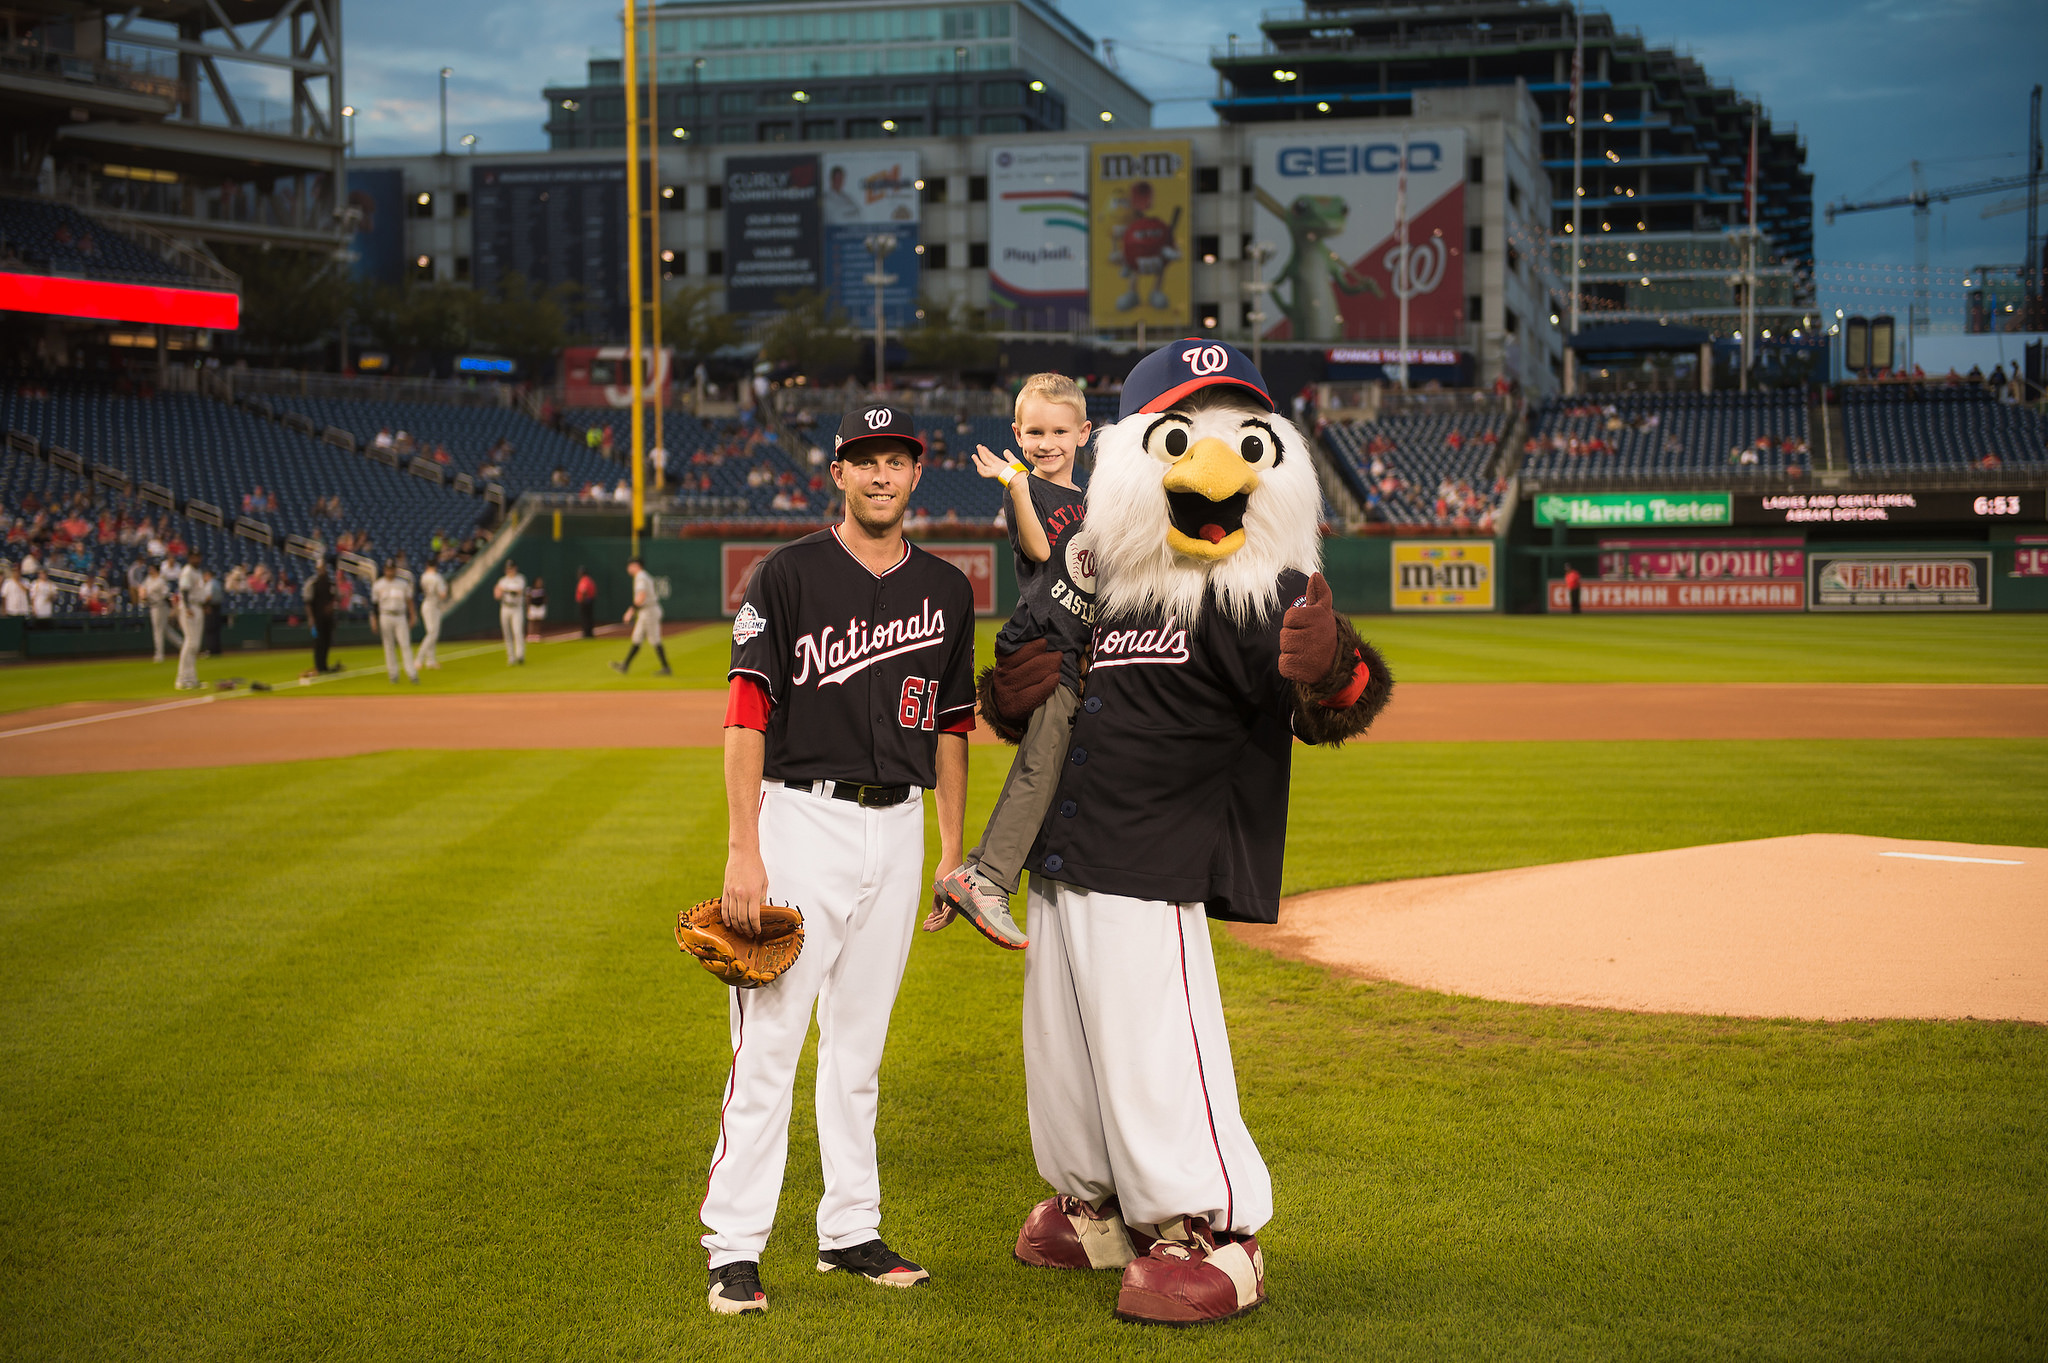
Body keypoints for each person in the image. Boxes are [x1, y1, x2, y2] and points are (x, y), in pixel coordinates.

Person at [702, 403, 977, 1316]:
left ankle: (849, 1230)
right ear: (838, 474)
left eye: (896, 461)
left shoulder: (945, 588)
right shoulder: (783, 575)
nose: (881, 476)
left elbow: (950, 728)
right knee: (771, 1044)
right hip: (800, 824)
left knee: (858, 1052)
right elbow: (745, 717)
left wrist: (950, 852)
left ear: (914, 476)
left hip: (899, 832)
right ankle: (735, 1248)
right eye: (866, 461)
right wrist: (745, 850)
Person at [933, 373, 1096, 948]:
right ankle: (989, 879)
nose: (1046, 441)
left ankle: (987, 870)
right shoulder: (1023, 488)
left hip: (1080, 654)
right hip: (1042, 646)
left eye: (1058, 430)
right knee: (1043, 762)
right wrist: (1017, 483)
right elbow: (1041, 549)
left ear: (1084, 432)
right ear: (1017, 435)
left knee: (1064, 766)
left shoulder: (1093, 499)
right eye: (1034, 431)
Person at [609, 556, 670, 675]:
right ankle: (625, 665)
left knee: (655, 639)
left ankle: (666, 668)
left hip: (649, 611)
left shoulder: (641, 576)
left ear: (636, 565)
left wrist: (630, 611)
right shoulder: (643, 575)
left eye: (630, 565)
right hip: (646, 611)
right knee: (637, 638)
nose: (628, 568)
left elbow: (641, 596)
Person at [371, 558, 420, 684]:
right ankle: (393, 675)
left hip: (400, 616)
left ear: (395, 570)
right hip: (385, 615)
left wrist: (413, 615)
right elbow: (374, 605)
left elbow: (409, 601)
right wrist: (374, 620)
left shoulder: (402, 584)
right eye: (388, 569)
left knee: (405, 644)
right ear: (384, 570)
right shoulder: (378, 584)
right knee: (388, 646)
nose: (390, 572)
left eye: (392, 569)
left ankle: (412, 673)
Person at [173, 551, 204, 690]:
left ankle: (191, 678)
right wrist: (187, 608)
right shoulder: (187, 571)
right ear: (190, 558)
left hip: (197, 607)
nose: (196, 559)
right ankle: (181, 679)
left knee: (195, 644)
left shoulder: (197, 572)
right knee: (190, 642)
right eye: (194, 556)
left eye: (198, 556)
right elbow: (184, 590)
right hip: (189, 608)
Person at [305, 556, 340, 675]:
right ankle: (319, 666)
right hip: (317, 618)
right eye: (319, 568)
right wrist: (311, 618)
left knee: (327, 641)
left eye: (323, 567)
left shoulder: (330, 583)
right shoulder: (312, 583)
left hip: (328, 618)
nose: (321, 570)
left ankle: (324, 666)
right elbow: (308, 602)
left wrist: (333, 606)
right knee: (318, 642)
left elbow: (335, 598)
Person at [141, 561, 177, 661]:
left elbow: (166, 594)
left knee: (158, 631)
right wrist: (143, 595)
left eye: (152, 568)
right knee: (166, 630)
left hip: (161, 606)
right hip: (153, 606)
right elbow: (143, 589)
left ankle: (159, 655)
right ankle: (182, 645)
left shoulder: (161, 580)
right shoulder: (148, 579)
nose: (150, 570)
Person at [495, 559, 528, 664]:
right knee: (507, 633)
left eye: (512, 568)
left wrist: (505, 590)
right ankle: (511, 657)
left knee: (517, 631)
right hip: (505, 607)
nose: (510, 570)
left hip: (516, 607)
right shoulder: (503, 580)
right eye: (508, 568)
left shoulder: (520, 579)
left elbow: (518, 591)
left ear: (515, 568)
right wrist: (503, 590)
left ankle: (520, 655)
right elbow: (497, 594)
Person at [418, 561, 449, 669]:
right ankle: (419, 659)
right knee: (432, 633)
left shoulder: (423, 577)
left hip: (426, 604)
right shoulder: (437, 577)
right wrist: (446, 588)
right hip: (433, 606)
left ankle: (430, 660)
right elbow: (442, 595)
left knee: (432, 633)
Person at [201, 563, 226, 656]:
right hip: (217, 607)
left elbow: (208, 597)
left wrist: (205, 606)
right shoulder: (217, 583)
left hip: (211, 607)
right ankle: (216, 650)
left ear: (208, 575)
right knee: (216, 630)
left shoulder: (210, 583)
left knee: (210, 629)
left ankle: (210, 650)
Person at [575, 565, 598, 638]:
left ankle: (586, 634)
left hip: (585, 601)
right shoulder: (589, 580)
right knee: (589, 618)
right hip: (590, 600)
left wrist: (582, 600)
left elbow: (583, 591)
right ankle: (589, 633)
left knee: (585, 618)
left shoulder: (584, 580)